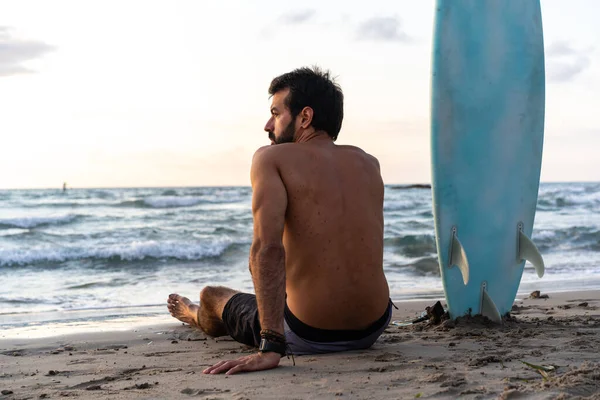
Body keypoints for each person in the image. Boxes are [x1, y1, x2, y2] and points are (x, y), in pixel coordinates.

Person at [167, 66, 392, 375]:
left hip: (309, 332)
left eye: (276, 113)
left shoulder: (270, 158)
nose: (267, 125)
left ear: (305, 117)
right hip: (373, 328)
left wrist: (271, 344)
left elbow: (266, 250)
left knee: (212, 296)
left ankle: (193, 313)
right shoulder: (369, 163)